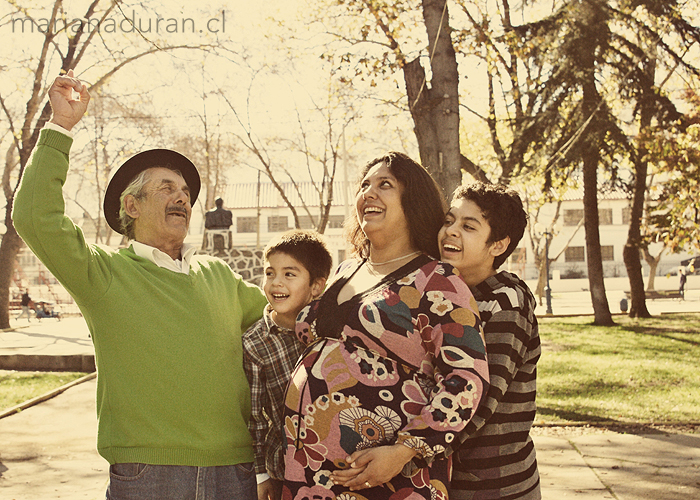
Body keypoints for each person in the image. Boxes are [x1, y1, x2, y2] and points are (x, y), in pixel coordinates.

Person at [12, 70, 268, 500]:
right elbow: (35, 217)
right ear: (131, 206)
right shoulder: (103, 273)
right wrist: (60, 128)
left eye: (186, 191)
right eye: (166, 188)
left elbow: (286, 317)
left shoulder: (220, 276)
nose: (182, 197)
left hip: (234, 472)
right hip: (149, 475)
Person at [282, 152, 490, 500]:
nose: (369, 193)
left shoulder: (437, 281)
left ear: (413, 201)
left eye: (385, 185)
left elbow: (466, 380)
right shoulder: (346, 270)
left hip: (391, 479)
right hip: (310, 470)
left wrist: (403, 451)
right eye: (365, 185)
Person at [438, 182, 541, 499]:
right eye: (449, 220)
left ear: (498, 245)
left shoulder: (505, 304)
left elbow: (479, 397)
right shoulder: (446, 292)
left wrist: (412, 448)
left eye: (468, 226)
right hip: (449, 478)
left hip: (496, 484)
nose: (452, 231)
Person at [243, 229, 333, 500]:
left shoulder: (333, 328)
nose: (276, 283)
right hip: (286, 468)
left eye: (289, 274)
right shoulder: (255, 343)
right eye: (270, 273)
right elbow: (256, 418)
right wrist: (261, 475)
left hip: (335, 461)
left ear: (316, 286)